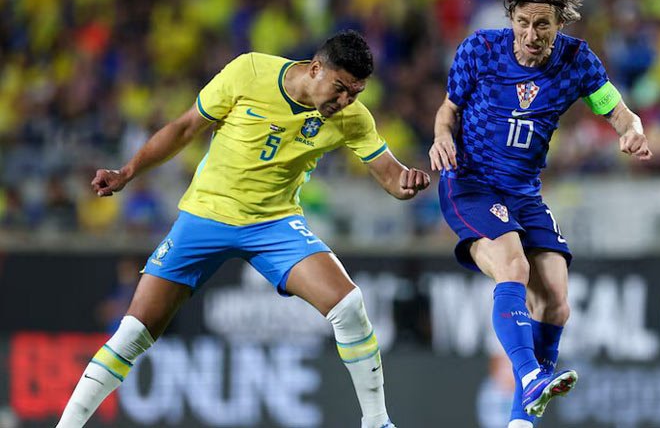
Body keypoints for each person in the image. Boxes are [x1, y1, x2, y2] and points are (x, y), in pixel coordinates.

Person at [57, 30, 430, 428]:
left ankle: (377, 422)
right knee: (133, 331)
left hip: (274, 223)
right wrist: (127, 172)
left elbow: (390, 175)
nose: (344, 102)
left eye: (355, 94)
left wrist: (406, 182)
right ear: (315, 68)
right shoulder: (249, 71)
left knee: (349, 306)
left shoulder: (352, 118)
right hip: (206, 215)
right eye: (340, 89)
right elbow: (185, 128)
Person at [429, 0, 651, 426]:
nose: (531, 35)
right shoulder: (479, 50)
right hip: (470, 182)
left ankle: (521, 419)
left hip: (524, 193)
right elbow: (448, 111)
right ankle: (530, 375)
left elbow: (619, 112)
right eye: (523, 22)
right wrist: (441, 137)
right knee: (514, 266)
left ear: (560, 23)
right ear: (510, 17)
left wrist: (631, 131)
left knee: (556, 302)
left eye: (543, 24)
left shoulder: (576, 62)